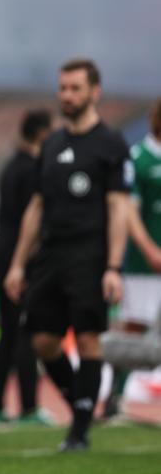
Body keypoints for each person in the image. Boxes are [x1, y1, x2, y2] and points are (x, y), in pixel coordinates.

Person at [5, 58, 131, 451]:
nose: (67, 96)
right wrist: (17, 264)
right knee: (43, 341)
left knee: (90, 339)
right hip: (51, 255)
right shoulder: (52, 144)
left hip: (90, 256)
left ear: (95, 92)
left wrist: (113, 266)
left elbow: (118, 209)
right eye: (63, 88)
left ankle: (78, 431)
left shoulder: (111, 144)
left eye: (75, 88)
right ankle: (81, 399)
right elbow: (36, 207)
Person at [0, 109, 52, 426]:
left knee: (9, 333)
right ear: (41, 133)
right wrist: (23, 264)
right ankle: (28, 408)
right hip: (15, 259)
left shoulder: (12, 166)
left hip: (1, 253)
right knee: (24, 332)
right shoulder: (31, 170)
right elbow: (32, 222)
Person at [103, 97, 161, 419]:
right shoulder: (138, 158)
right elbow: (128, 212)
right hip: (144, 266)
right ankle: (113, 397)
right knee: (134, 330)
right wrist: (150, 249)